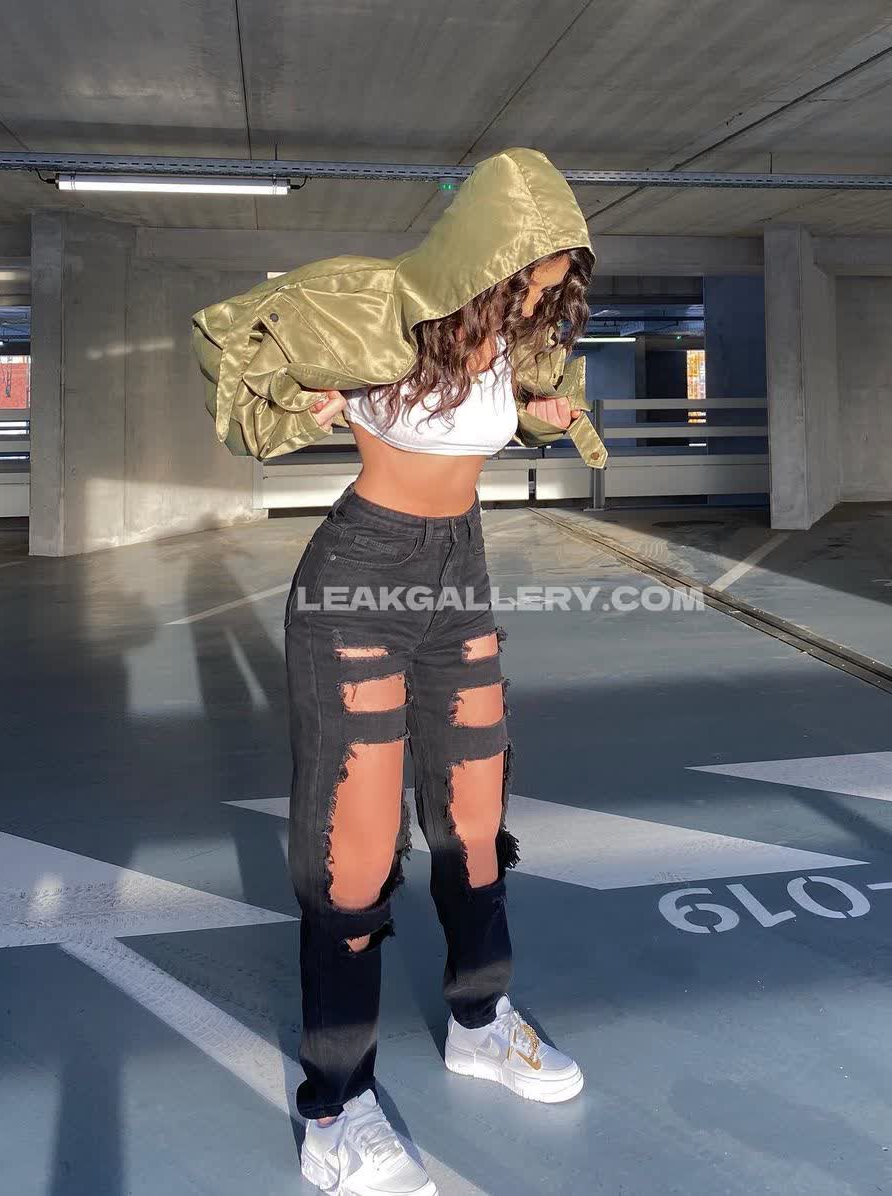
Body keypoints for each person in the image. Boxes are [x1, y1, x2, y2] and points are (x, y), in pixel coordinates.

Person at [278, 149, 598, 1196]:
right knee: (355, 852)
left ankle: (480, 1021)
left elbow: (510, 402)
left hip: (461, 574)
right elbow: (250, 354)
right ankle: (335, 1108)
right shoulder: (380, 318)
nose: (537, 301)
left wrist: (546, 413)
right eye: (526, 281)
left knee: (475, 822)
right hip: (358, 579)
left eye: (551, 286)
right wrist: (301, 400)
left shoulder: (515, 341)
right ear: (483, 257)